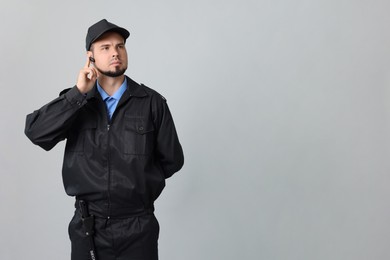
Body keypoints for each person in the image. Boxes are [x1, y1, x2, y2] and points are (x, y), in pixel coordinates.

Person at [25, 19, 184, 260]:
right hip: (89, 227)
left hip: (138, 226)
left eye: (120, 46)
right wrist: (78, 93)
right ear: (90, 56)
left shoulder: (152, 103)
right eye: (105, 48)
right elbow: (36, 132)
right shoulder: (77, 102)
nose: (115, 53)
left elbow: (172, 160)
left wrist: (139, 185)